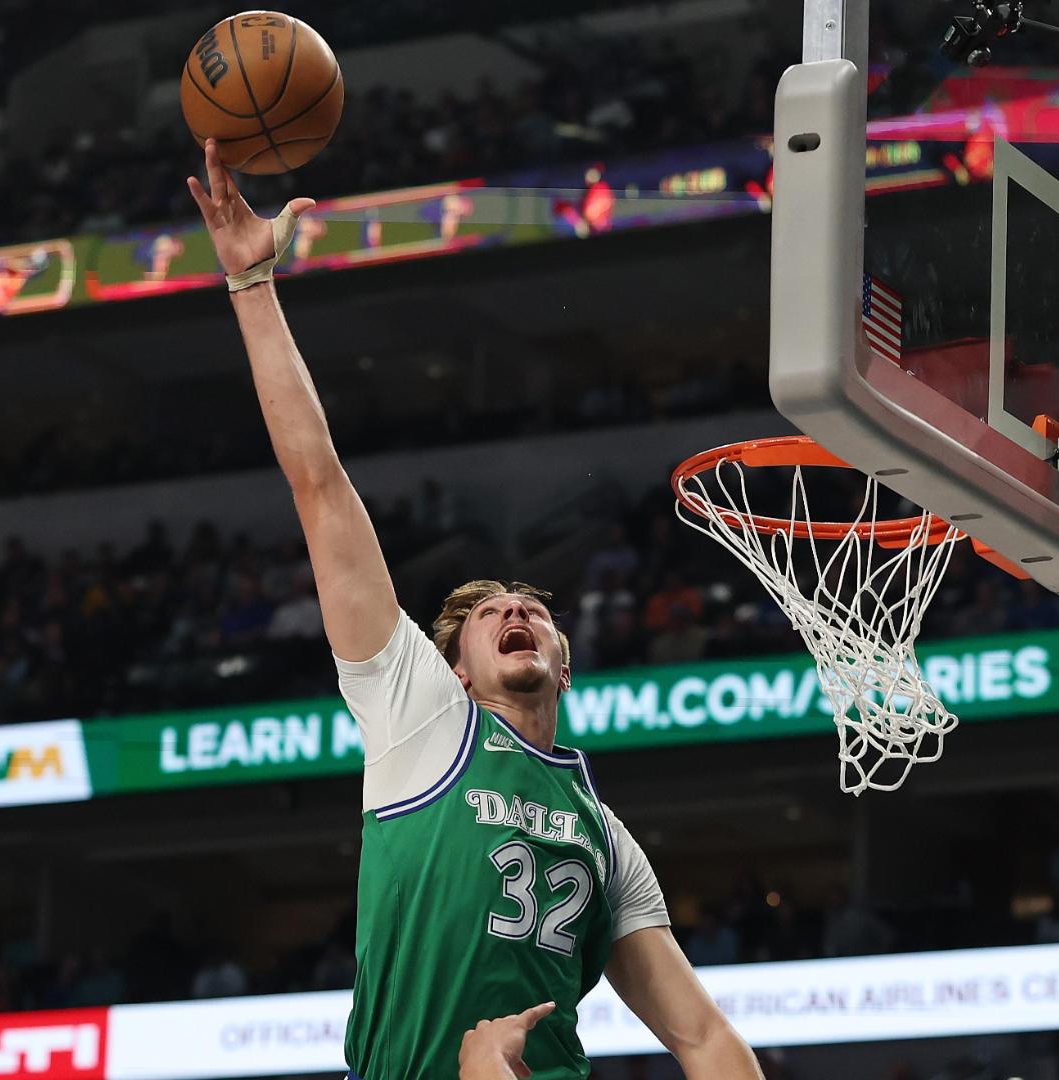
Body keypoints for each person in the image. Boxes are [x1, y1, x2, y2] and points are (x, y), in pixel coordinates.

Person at [186, 141, 759, 1080]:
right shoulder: (423, 715)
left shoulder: (602, 834)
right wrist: (252, 285)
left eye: (530, 607)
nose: (513, 611)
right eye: (489, 612)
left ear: (565, 661)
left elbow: (703, 1036)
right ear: (453, 664)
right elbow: (320, 486)